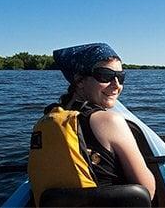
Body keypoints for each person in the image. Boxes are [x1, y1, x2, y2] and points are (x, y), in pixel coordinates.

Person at [52, 42, 156, 199]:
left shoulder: (50, 118)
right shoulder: (110, 121)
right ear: (79, 80)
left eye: (120, 77)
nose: (116, 85)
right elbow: (148, 191)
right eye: (105, 76)